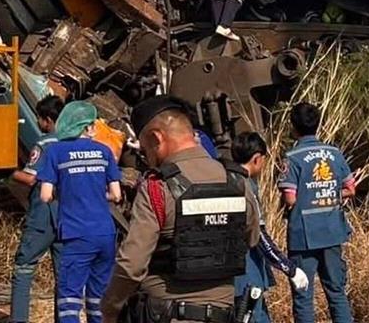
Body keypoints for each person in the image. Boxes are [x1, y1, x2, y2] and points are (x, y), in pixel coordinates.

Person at [100, 95, 260, 323]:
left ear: (157, 138)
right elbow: (252, 238)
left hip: (166, 314)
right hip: (223, 314)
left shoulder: (157, 188)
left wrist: (110, 308)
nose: (147, 157)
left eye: (145, 149)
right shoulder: (236, 181)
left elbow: (132, 264)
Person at [38, 101, 123, 323]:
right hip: (105, 234)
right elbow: (116, 195)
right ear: (86, 128)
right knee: (98, 298)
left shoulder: (55, 151)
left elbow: (45, 195)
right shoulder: (104, 151)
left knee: (70, 299)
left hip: (77, 233)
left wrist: (67, 192)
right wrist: (94, 193)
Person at [278, 102, 356, 323]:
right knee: (337, 292)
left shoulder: (292, 157)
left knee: (303, 295)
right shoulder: (334, 153)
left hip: (303, 237)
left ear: (293, 127)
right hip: (333, 231)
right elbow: (350, 188)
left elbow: (290, 198)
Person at [231, 132, 310, 323]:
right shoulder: (246, 186)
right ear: (257, 159)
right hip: (247, 274)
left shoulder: (227, 180)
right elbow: (259, 237)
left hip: (233, 273)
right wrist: (289, 268)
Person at [9, 95, 64, 323]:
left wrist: (8, 172)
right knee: (65, 276)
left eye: (39, 119)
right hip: (67, 216)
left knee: (23, 269)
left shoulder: (44, 145)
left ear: (47, 121)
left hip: (43, 216)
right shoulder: (74, 143)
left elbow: (30, 179)